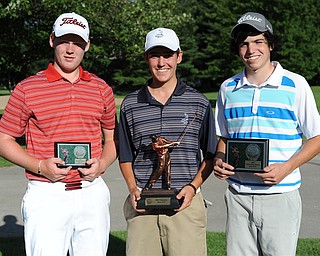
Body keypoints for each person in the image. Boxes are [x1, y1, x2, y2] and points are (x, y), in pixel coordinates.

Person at [0, 12, 117, 256]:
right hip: (47, 192)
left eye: (78, 42)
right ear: (52, 40)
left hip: (91, 190)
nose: (70, 49)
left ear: (87, 45)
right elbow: (4, 140)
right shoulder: (27, 88)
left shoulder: (101, 88)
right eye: (65, 41)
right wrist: (40, 165)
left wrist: (102, 163)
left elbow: (112, 139)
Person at [213, 12, 320, 256]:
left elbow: (316, 137)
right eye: (244, 43)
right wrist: (219, 159)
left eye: (258, 41)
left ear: (270, 44)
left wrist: (287, 168)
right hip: (238, 196)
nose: (251, 49)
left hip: (280, 196)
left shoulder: (295, 84)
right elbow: (224, 138)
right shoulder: (228, 88)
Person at [118, 27, 217, 256]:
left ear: (179, 56)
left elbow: (210, 155)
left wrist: (193, 188)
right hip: (142, 205)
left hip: (185, 205)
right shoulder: (131, 104)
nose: (162, 63)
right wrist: (133, 188)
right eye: (155, 55)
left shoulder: (198, 103)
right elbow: (125, 156)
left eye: (168, 55)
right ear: (146, 58)